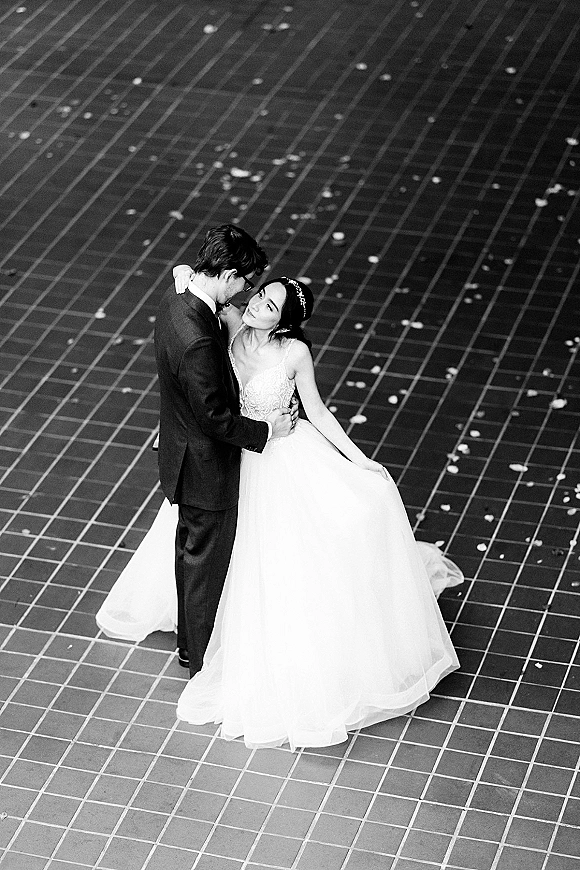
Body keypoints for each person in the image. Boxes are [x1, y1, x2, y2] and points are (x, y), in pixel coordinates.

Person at [97, 269, 463, 751]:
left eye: (269, 306)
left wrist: (359, 460)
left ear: (284, 324)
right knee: (210, 541)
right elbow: (191, 282)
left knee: (290, 551)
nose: (255, 306)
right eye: (259, 295)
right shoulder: (228, 325)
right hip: (233, 454)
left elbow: (317, 410)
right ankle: (201, 625)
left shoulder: (293, 354)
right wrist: (187, 273)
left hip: (283, 455)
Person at [99, 225, 296, 678]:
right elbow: (217, 418)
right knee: (204, 568)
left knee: (189, 555)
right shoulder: (199, 339)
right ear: (226, 274)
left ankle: (191, 645)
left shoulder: (177, 301)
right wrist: (268, 430)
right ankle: (198, 662)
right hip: (206, 469)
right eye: (245, 285)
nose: (246, 296)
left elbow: (183, 275)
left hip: (179, 454)